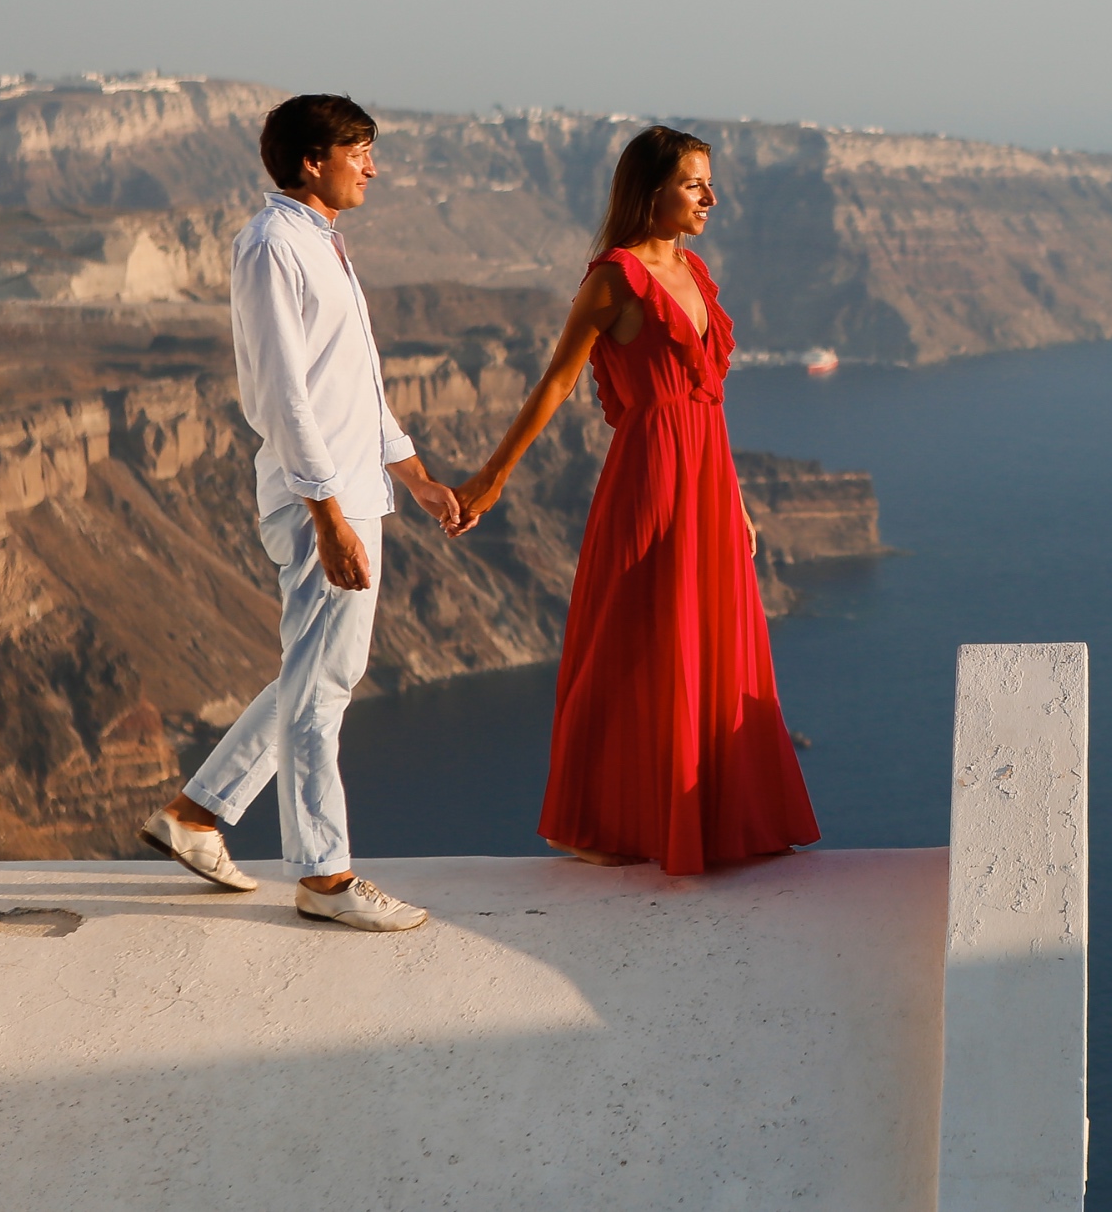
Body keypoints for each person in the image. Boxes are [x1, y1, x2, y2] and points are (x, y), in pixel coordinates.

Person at [453, 126, 819, 872]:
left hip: (710, 479)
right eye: (694, 184)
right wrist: (492, 477)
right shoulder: (614, 278)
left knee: (714, 640)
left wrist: (738, 500)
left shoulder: (697, 272)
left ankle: (714, 818)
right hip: (649, 477)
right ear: (650, 192)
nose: (711, 198)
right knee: (624, 643)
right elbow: (555, 382)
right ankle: (596, 821)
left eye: (709, 183)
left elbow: (708, 400)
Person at [137, 94, 458, 933]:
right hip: (324, 500)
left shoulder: (320, 243)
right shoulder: (274, 246)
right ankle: (324, 876)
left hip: (355, 490)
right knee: (321, 692)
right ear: (312, 160)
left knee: (318, 675)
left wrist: (414, 474)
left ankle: (196, 813)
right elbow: (283, 396)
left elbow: (354, 383)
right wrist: (329, 516)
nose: (373, 167)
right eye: (360, 152)